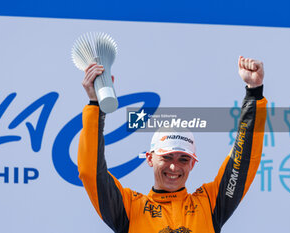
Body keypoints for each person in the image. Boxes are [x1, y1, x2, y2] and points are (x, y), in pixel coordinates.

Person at [78, 56, 267, 233]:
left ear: (192, 164)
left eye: (183, 159)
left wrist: (254, 93)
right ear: (150, 158)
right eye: (166, 156)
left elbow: (243, 163)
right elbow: (91, 173)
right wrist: (95, 105)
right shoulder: (129, 208)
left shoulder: (209, 203)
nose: (174, 166)